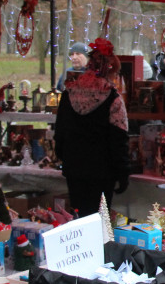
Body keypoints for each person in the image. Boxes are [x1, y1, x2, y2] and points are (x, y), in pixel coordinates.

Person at [54, 38, 129, 215]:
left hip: (74, 169)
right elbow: (118, 139)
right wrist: (123, 172)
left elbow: (60, 132)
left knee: (79, 216)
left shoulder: (68, 93)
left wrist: (64, 157)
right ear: (109, 69)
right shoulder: (112, 97)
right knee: (98, 220)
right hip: (102, 172)